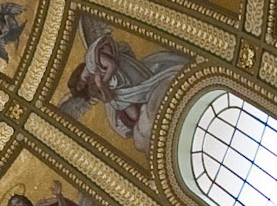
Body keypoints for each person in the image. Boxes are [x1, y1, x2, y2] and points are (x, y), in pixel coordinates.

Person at [64, 24, 187, 152]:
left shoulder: (93, 61)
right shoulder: (91, 87)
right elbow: (107, 98)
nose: (83, 84)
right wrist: (102, 87)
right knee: (134, 117)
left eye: (81, 82)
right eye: (81, 87)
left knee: (146, 88)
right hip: (119, 96)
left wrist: (103, 81)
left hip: (124, 76)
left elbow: (112, 64)